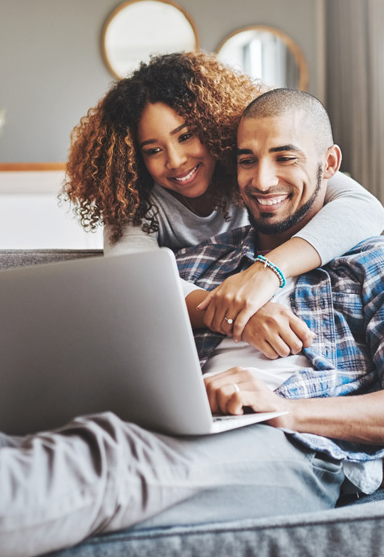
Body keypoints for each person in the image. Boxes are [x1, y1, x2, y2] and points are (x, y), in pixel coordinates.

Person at [0, 89, 384, 557]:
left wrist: (286, 411)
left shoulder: (368, 261)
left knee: (104, 460)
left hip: (298, 451)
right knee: (24, 452)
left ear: (330, 162)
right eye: (247, 160)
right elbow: (125, 293)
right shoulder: (198, 261)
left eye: (284, 157)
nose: (263, 179)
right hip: (172, 427)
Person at [64, 52, 384, 348]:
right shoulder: (131, 200)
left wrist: (268, 271)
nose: (175, 161)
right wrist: (237, 316)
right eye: (153, 150)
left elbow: (364, 208)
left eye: (186, 136)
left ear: (213, 126)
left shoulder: (252, 167)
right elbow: (133, 281)